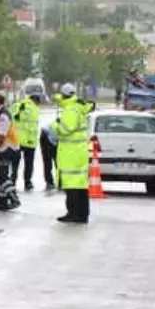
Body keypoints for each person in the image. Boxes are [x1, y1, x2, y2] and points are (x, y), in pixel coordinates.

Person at [52, 82, 91, 224]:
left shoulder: (70, 110)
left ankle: (73, 213)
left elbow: (65, 130)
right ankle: (82, 214)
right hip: (78, 153)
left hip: (71, 155)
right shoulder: (78, 108)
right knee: (80, 187)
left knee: (71, 187)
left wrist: (55, 124)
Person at [0, 91, 21, 211]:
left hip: (8, 148)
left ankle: (14, 198)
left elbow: (1, 135)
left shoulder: (3, 115)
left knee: (3, 176)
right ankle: (2, 201)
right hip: (3, 148)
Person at [11, 92, 41, 191]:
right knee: (29, 163)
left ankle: (12, 182)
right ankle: (27, 183)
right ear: (36, 101)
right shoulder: (36, 109)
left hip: (17, 140)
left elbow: (10, 117)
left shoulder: (18, 105)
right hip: (30, 141)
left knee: (15, 163)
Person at [39, 122, 58, 191]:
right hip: (46, 137)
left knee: (56, 162)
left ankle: (56, 182)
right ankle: (50, 183)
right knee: (48, 161)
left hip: (50, 135)